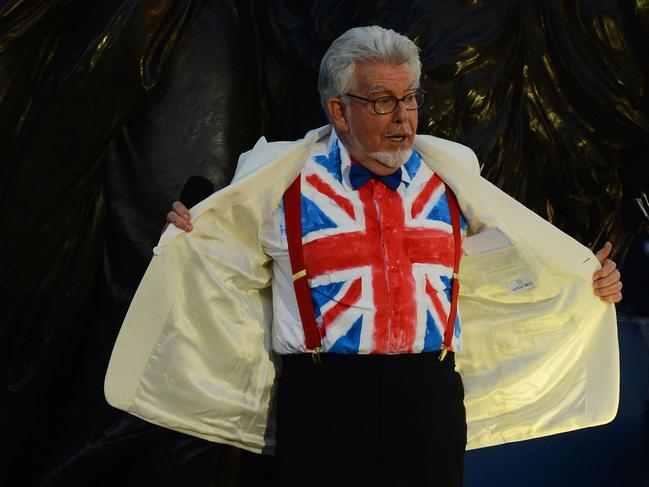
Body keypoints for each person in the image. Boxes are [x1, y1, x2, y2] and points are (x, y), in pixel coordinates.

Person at [106, 26, 622, 486]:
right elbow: (219, 257)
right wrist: (188, 235)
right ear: (339, 109)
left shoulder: (455, 172)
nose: (402, 118)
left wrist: (584, 279)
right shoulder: (277, 174)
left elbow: (517, 262)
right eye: (381, 101)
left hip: (430, 397)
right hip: (324, 400)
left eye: (411, 98)